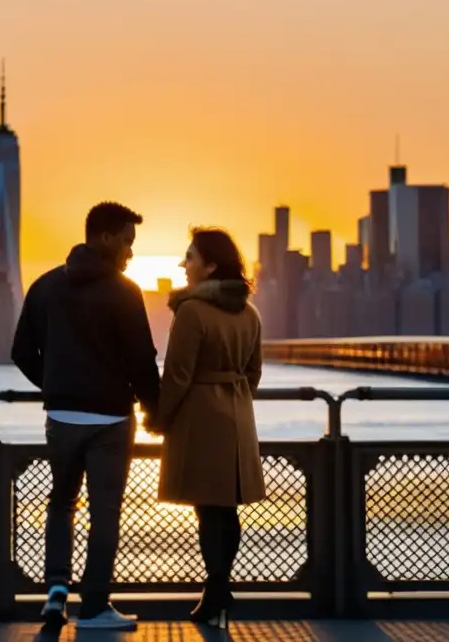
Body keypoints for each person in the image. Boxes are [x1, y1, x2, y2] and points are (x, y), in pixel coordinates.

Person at [11, 201, 160, 631]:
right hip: (111, 421)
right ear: (107, 238)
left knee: (61, 504)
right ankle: (93, 607)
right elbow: (142, 362)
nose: (130, 253)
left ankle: (55, 593)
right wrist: (156, 411)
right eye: (128, 243)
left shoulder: (44, 287)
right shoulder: (125, 292)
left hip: (61, 417)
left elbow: (20, 352)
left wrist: (57, 385)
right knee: (104, 513)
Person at [148, 228, 265, 629]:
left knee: (205, 507)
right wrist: (234, 398)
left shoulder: (192, 311)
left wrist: (159, 418)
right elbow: (253, 373)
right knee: (226, 506)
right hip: (238, 417)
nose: (183, 264)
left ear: (211, 265)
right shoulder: (250, 313)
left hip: (200, 416)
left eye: (191, 257)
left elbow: (177, 375)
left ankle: (215, 591)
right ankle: (220, 589)